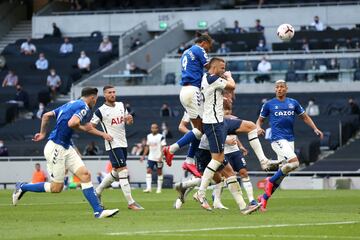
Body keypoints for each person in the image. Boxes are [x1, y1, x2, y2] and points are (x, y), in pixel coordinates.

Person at [12, 87, 119, 218]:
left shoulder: (70, 104)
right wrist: (82, 128)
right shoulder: (84, 107)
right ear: (92, 97)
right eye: (96, 99)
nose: (95, 102)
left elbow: (46, 116)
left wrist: (42, 133)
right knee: (56, 188)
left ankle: (98, 211)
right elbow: (72, 123)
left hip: (66, 147)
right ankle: (23, 186)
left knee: (85, 175)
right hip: (56, 147)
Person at [256, 80, 324, 211]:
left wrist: (315, 128)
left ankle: (264, 198)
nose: (279, 89)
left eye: (282, 87)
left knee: (283, 174)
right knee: (295, 163)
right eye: (277, 87)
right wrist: (258, 128)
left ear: (286, 89)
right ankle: (269, 181)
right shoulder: (269, 104)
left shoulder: (293, 103)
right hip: (277, 139)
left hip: (289, 140)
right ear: (275, 90)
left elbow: (305, 117)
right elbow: (259, 121)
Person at [163, 34, 213, 168]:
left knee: (198, 130)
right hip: (192, 90)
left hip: (186, 91)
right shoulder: (199, 49)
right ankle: (172, 149)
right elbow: (209, 67)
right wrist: (222, 72)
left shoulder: (186, 51)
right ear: (204, 42)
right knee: (201, 129)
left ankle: (189, 161)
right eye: (209, 46)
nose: (208, 50)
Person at [193, 57, 236, 209]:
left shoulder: (206, 77)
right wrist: (229, 77)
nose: (223, 70)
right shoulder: (213, 79)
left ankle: (236, 203)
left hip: (215, 123)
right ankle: (199, 192)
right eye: (222, 68)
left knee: (249, 126)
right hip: (213, 124)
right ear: (215, 67)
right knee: (218, 163)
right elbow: (231, 86)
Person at [91, 85, 143, 210]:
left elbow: (127, 122)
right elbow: (90, 126)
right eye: (109, 92)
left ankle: (97, 192)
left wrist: (129, 120)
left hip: (123, 143)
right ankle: (131, 203)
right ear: (105, 95)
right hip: (113, 144)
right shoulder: (100, 110)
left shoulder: (121, 105)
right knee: (123, 170)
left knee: (115, 172)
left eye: (114, 92)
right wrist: (103, 134)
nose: (112, 94)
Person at [141, 123, 166, 193]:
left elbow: (164, 147)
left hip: (158, 158)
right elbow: (147, 147)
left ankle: (159, 189)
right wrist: (143, 156)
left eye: (155, 128)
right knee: (148, 170)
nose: (153, 129)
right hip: (151, 157)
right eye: (152, 128)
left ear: (157, 129)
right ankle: (149, 188)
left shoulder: (161, 137)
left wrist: (161, 157)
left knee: (159, 172)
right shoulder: (149, 136)